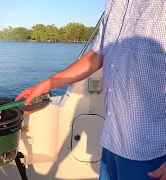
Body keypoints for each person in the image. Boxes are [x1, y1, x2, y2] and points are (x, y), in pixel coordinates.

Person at [16, 0, 166, 179]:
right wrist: (45, 85)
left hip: (150, 152)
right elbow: (96, 56)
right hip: (113, 141)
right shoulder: (115, 3)